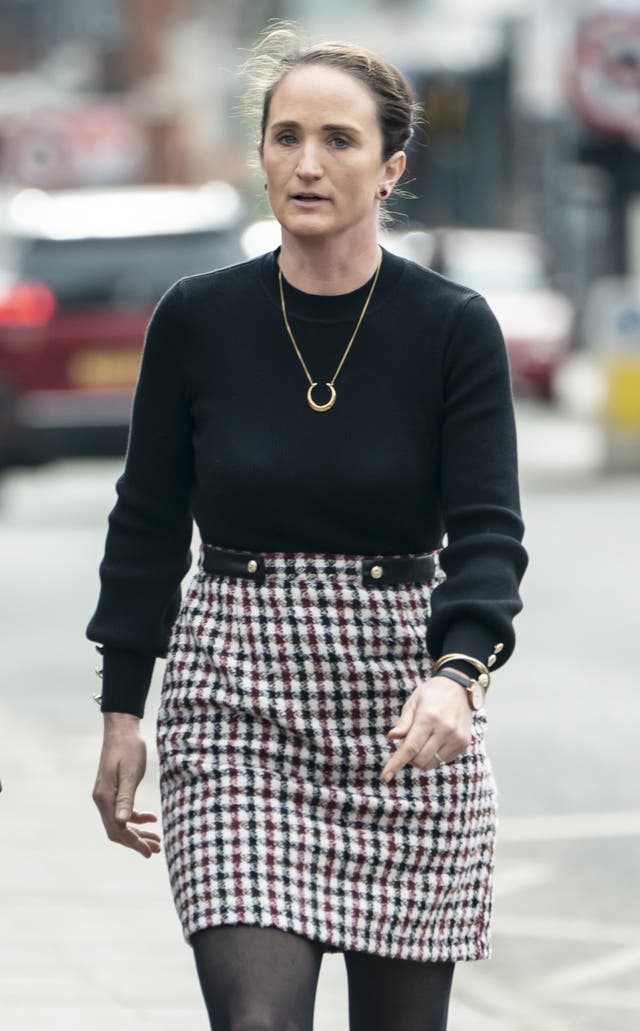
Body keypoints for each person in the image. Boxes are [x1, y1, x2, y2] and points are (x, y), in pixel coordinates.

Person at [87, 24, 528, 1031]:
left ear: (390, 168)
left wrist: (457, 674)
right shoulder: (196, 318)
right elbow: (147, 521)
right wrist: (123, 707)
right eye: (285, 137)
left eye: (338, 140)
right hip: (235, 699)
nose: (307, 162)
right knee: (257, 1020)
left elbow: (489, 534)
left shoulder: (451, 326)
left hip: (401, 706)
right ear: (261, 158)